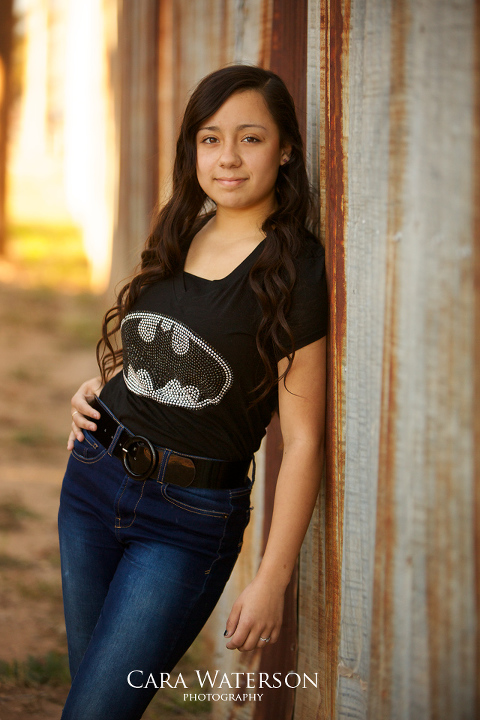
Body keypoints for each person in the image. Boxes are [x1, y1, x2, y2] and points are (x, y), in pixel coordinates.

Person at [58, 64, 328, 719]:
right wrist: (104, 387)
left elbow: (305, 438)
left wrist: (272, 579)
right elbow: (158, 346)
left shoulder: (293, 267)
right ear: (193, 149)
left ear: (285, 148)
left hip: (186, 522)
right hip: (94, 480)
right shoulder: (184, 224)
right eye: (210, 138)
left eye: (251, 138)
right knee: (89, 693)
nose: (227, 157)